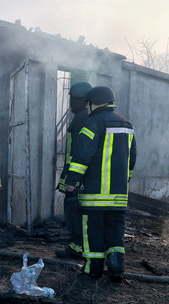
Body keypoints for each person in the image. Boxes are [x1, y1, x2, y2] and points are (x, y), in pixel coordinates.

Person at [64, 86, 136, 281]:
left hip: (94, 195)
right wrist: (124, 181)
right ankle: (116, 268)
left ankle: (93, 269)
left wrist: (71, 182)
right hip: (119, 195)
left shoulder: (92, 123)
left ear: (94, 103)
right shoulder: (126, 125)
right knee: (115, 232)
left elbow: (81, 157)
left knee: (93, 231)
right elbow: (132, 160)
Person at [56, 82, 93, 259]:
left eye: (73, 99)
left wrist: (73, 179)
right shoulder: (80, 117)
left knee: (74, 214)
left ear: (83, 100)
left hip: (77, 180)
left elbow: (81, 153)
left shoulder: (83, 119)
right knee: (73, 215)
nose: (71, 102)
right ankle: (76, 247)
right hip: (75, 176)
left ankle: (77, 249)